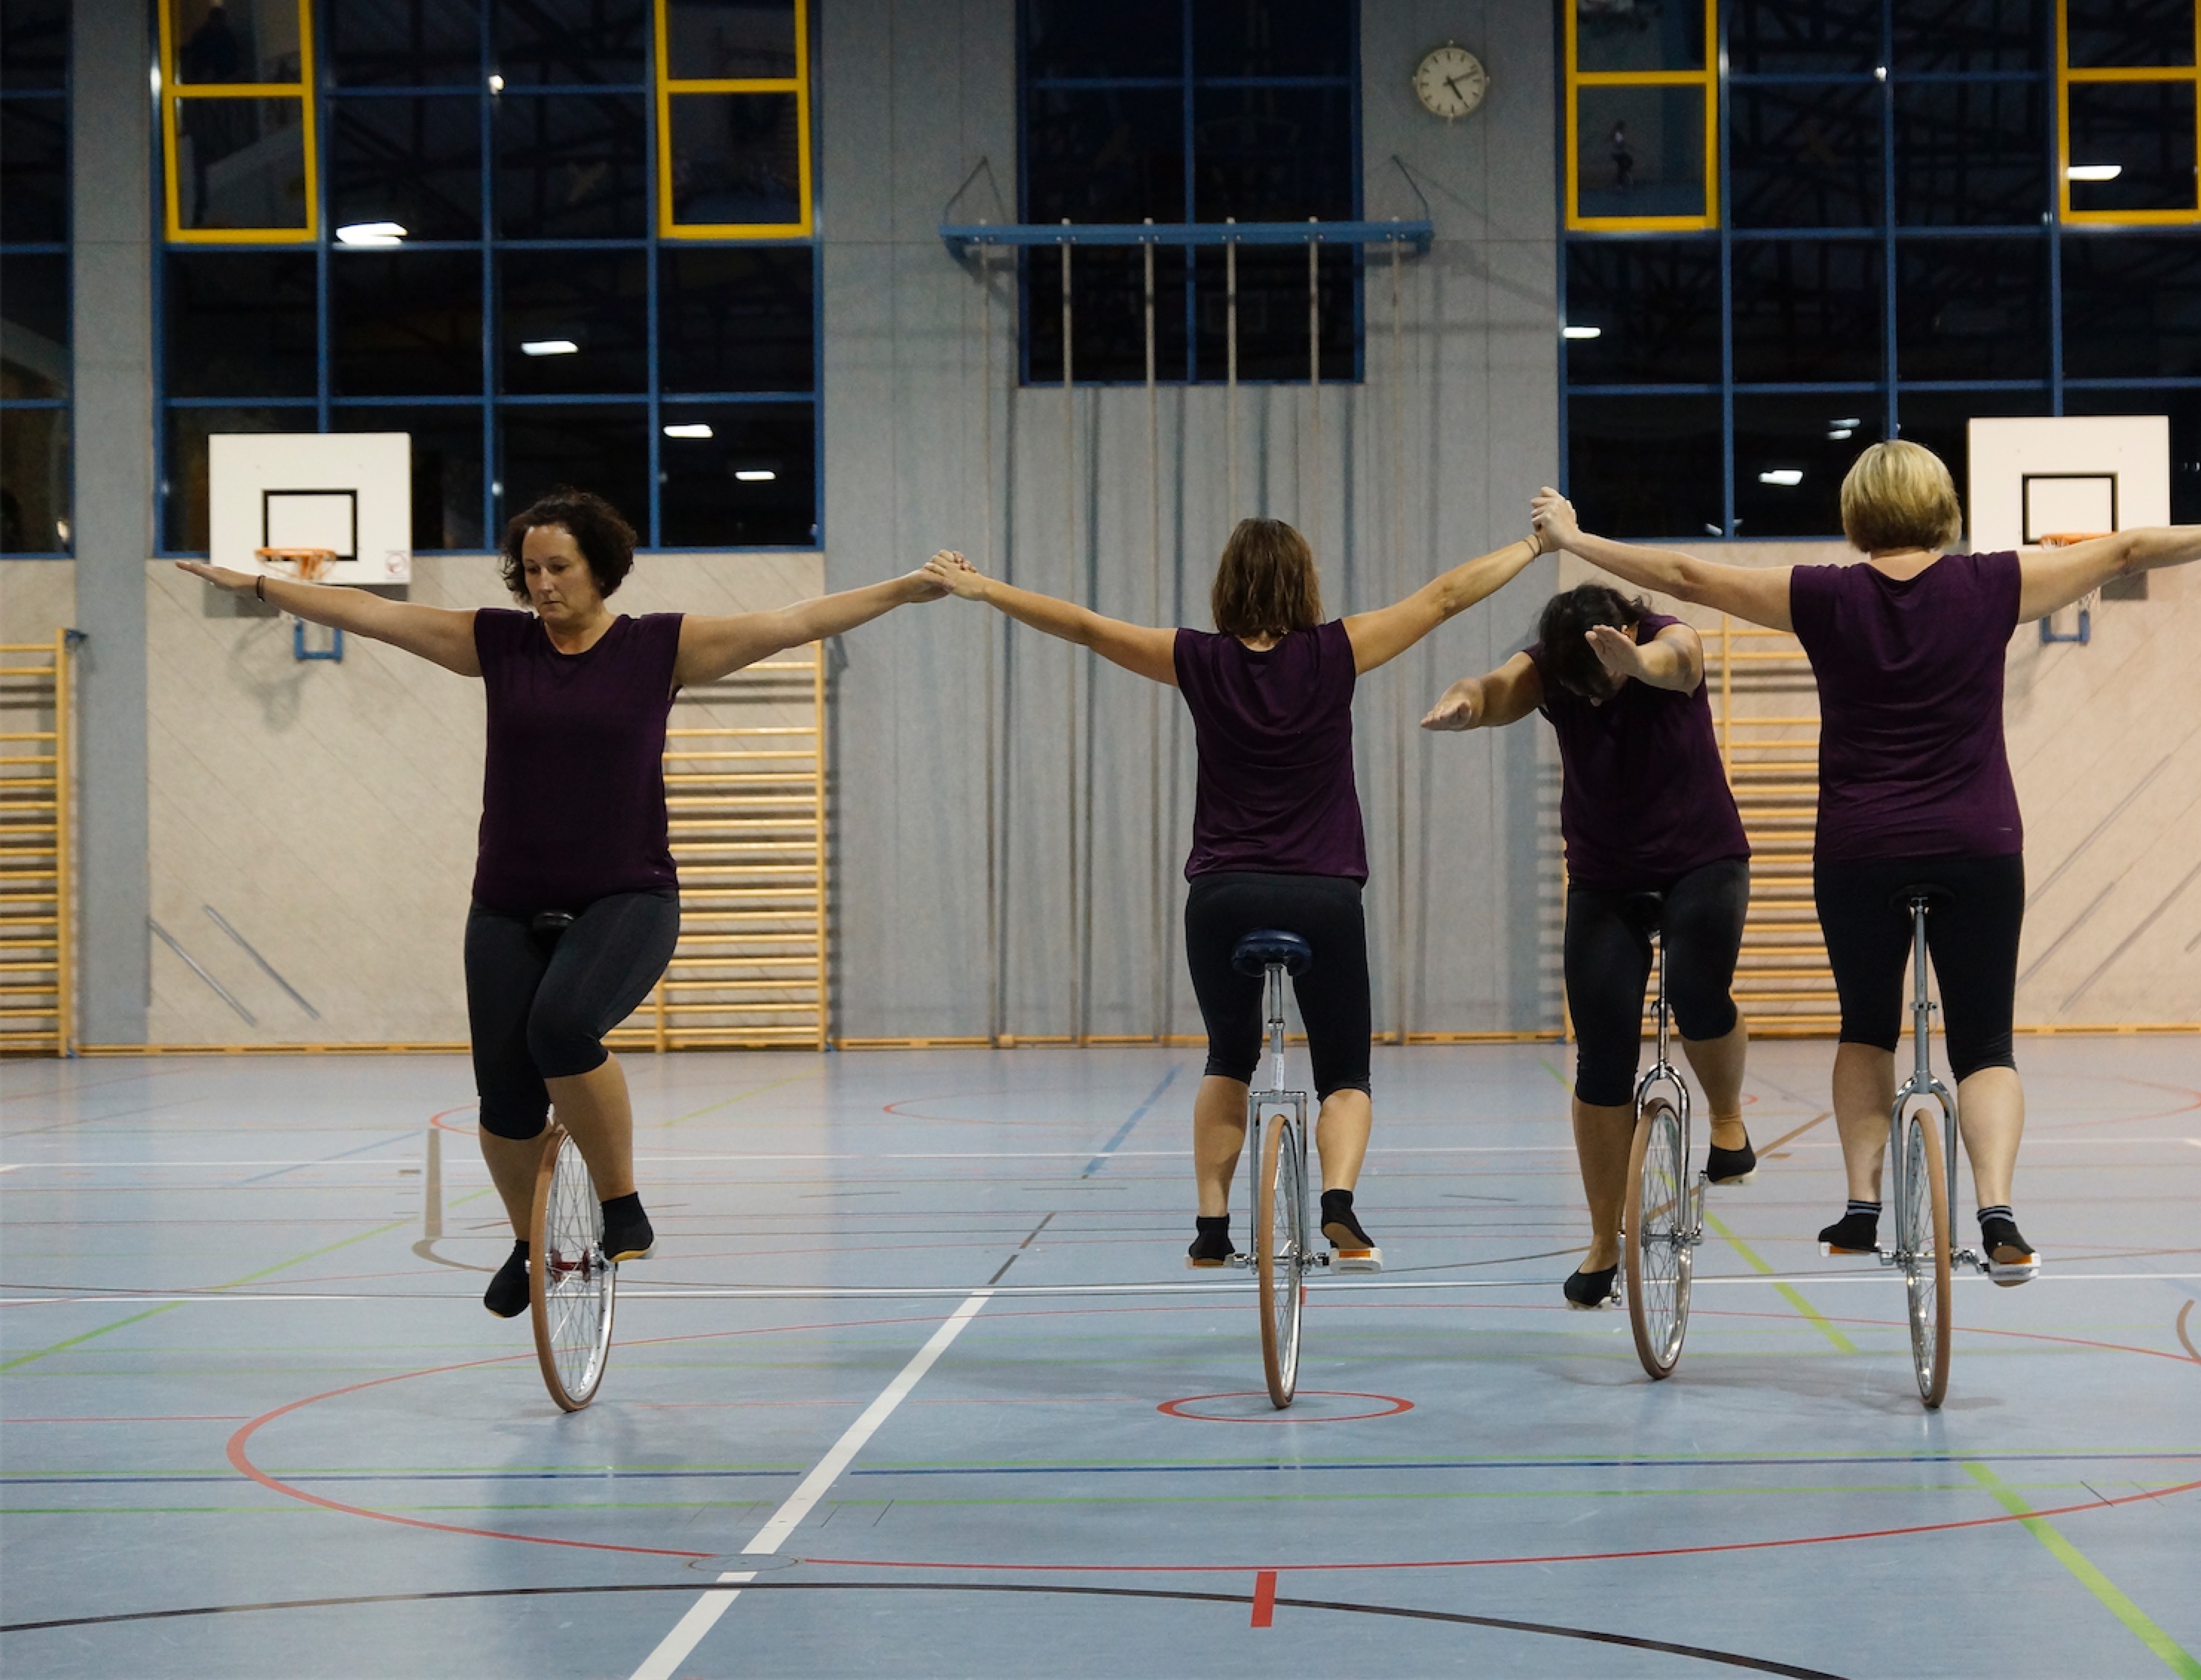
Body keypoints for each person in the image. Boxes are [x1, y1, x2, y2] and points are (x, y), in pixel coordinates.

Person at [1531, 450, 2201, 1285]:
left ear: (1855, 516)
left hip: (1860, 850)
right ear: (1945, 508)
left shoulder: (1824, 596)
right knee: (1984, 1045)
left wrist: (1577, 539)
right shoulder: (1992, 584)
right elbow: (2130, 549)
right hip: (1977, 843)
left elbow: (1686, 575)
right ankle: (1999, 1215)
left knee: (1866, 1029)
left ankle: (1860, 1208)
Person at [179, 487, 951, 1318]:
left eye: (559, 568)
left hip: (627, 895)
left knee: (561, 1027)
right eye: (531, 570)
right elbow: (374, 614)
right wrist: (262, 585)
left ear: (601, 568)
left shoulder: (661, 648)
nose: (542, 584)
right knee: (505, 1099)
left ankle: (621, 1201)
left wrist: (907, 588)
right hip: (506, 902)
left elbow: (795, 622)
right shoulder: (498, 643)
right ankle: (528, 1242)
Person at [926, 516, 1549, 1272]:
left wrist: (985, 589)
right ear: (1305, 583)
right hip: (1323, 893)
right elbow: (1446, 597)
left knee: (1229, 1055)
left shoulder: (1196, 658)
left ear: (1226, 586)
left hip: (1223, 895)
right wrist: (1532, 546)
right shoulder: (1339, 650)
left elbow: (1085, 627)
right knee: (1344, 1072)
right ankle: (1338, 1204)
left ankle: (1212, 1227)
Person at [1422, 583, 1756, 1309]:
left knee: (1697, 991)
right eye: (1582, 693)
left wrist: (1635, 663)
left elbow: (1678, 662)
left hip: (1703, 861)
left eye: (1603, 685)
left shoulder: (1666, 637)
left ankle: (1728, 1119)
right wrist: (1466, 703)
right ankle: (1605, 1240)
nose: (1596, 702)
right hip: (1606, 878)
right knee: (1601, 1059)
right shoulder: (1556, 666)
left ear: (1628, 629)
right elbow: (1496, 688)